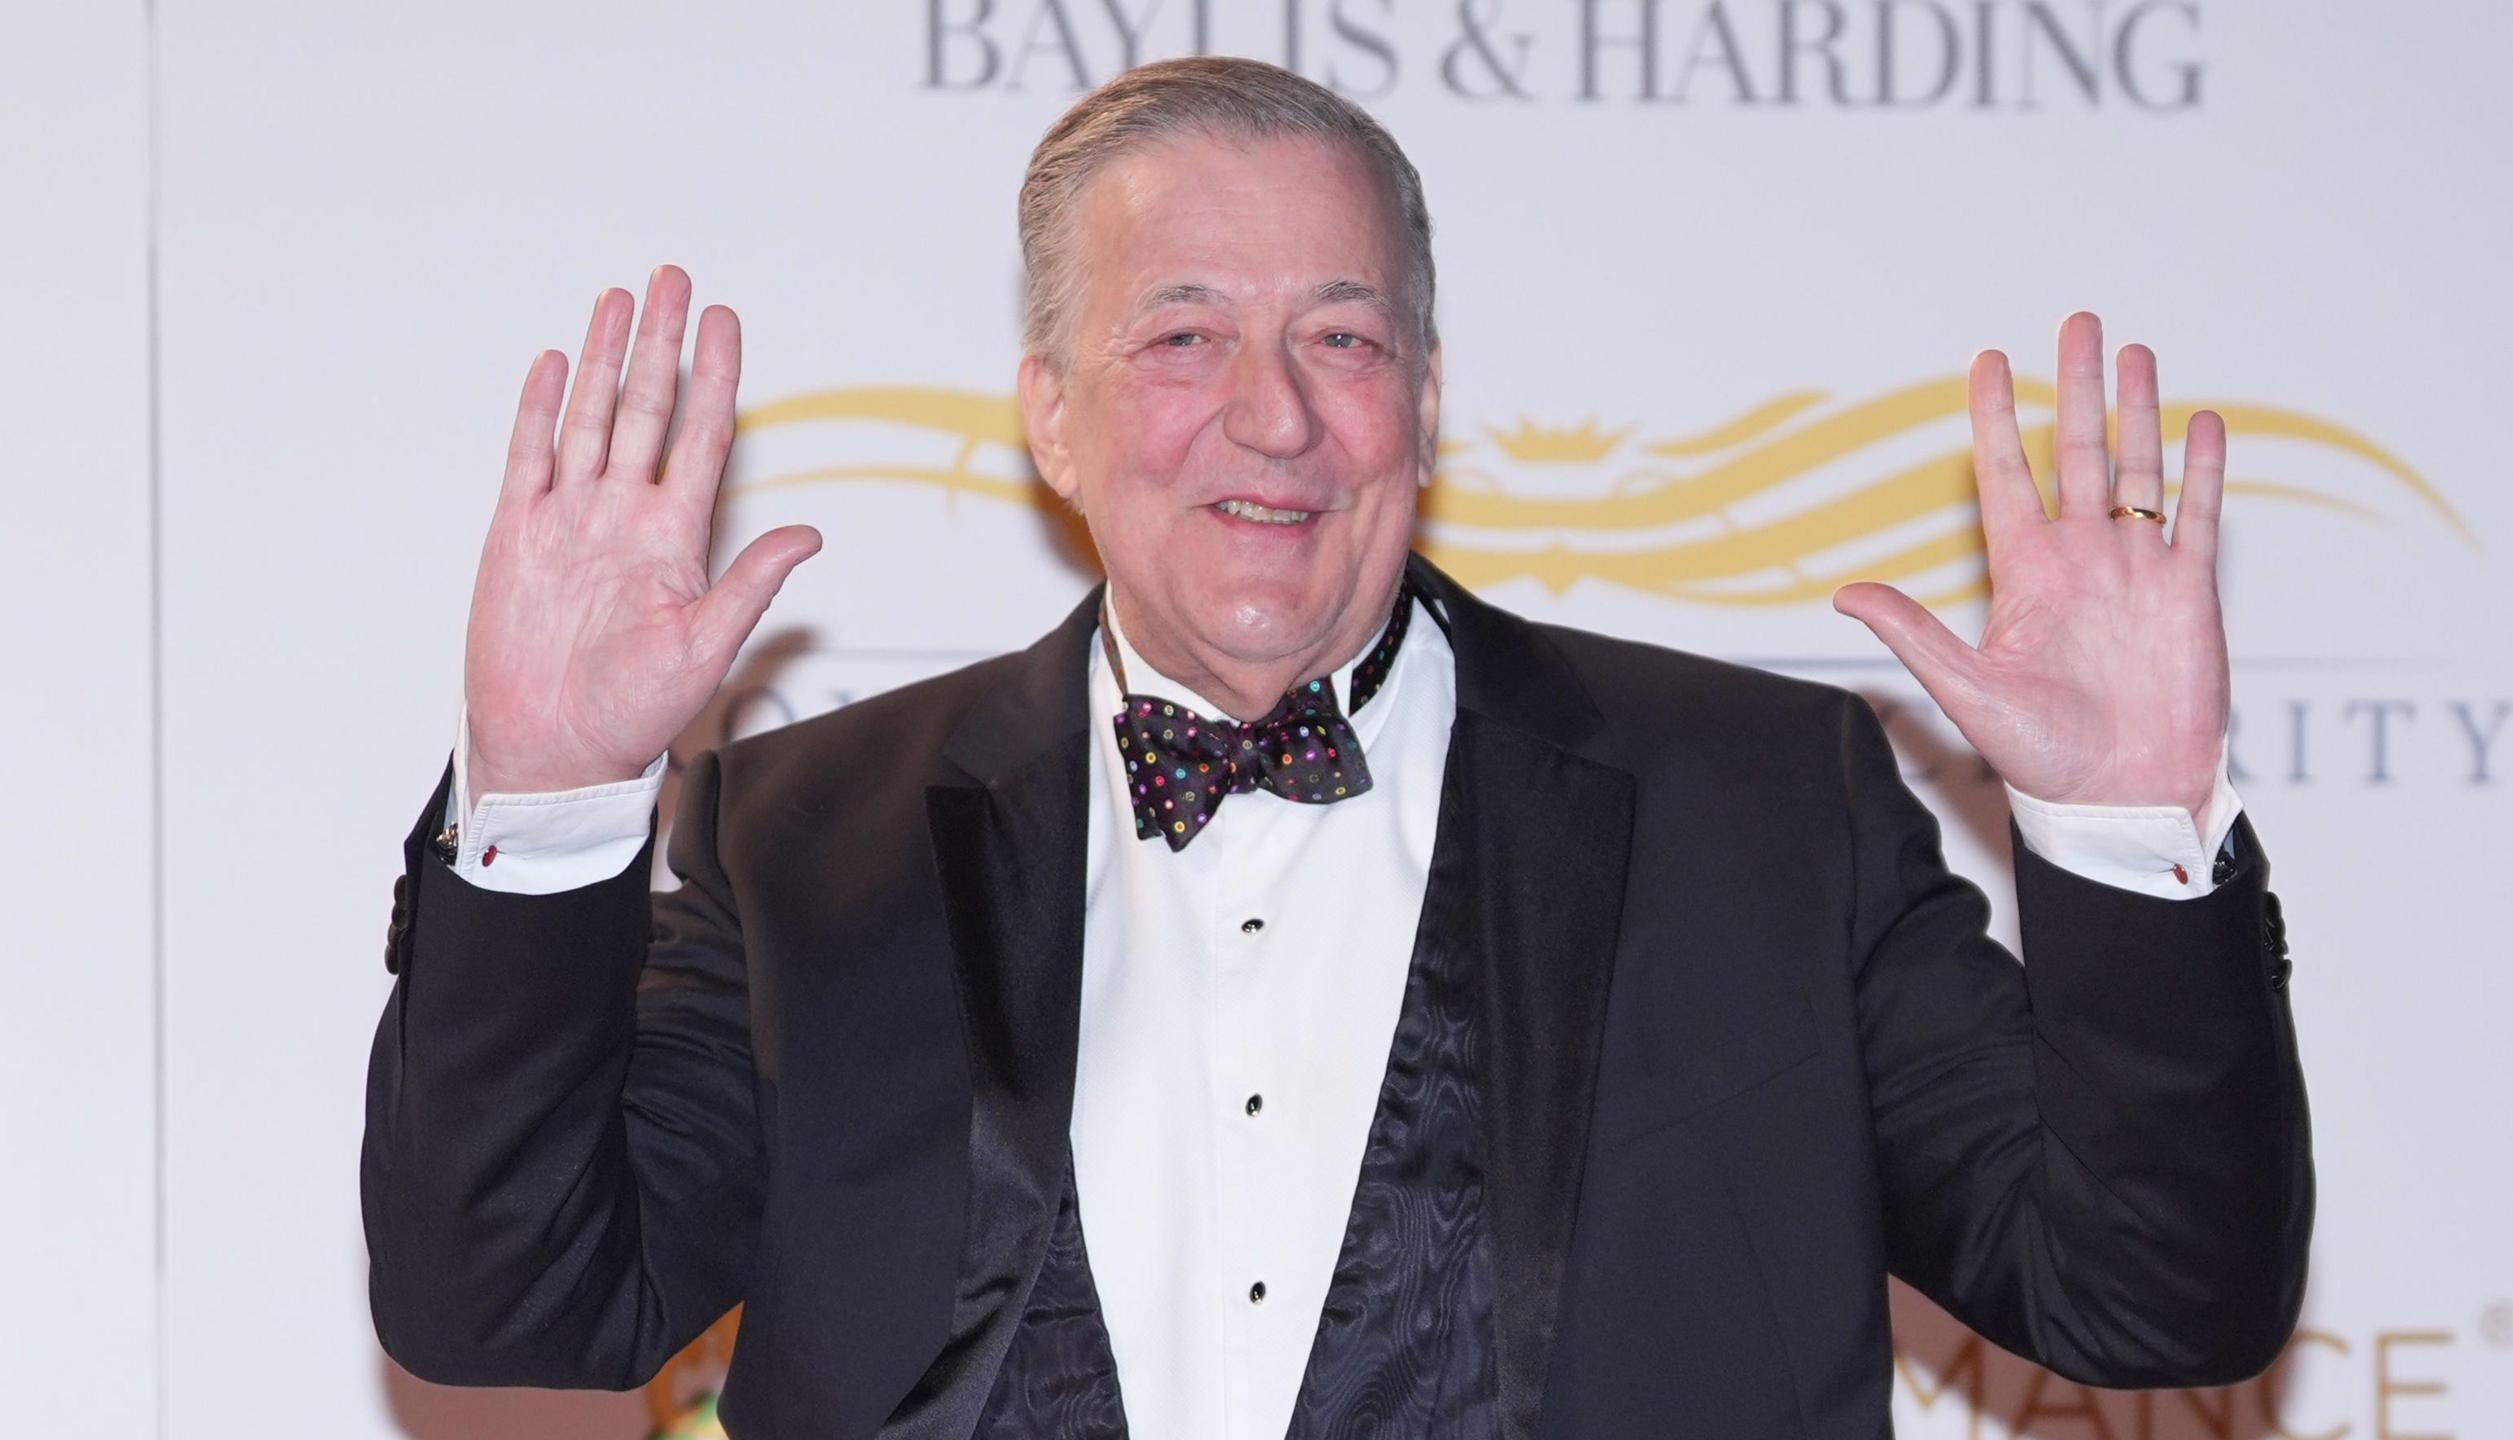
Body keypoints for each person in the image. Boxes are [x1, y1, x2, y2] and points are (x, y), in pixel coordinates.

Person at [362, 55, 2310, 1440]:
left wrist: (2119, 837)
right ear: (1049, 413)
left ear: (1426, 396)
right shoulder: (807, 835)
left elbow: (2147, 1301)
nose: (1274, 421)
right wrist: (545, 804)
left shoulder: (1756, 808)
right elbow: (514, 1308)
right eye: (1183, 337)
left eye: (1343, 339)